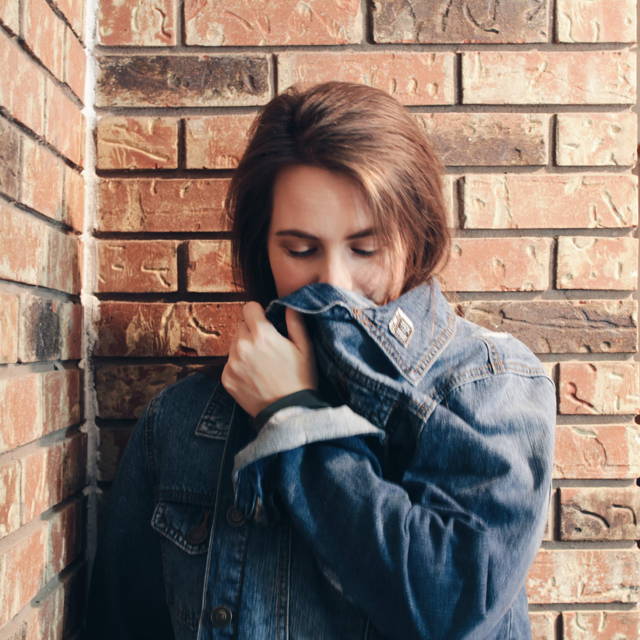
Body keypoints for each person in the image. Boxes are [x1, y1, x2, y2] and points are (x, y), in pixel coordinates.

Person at [84, 81, 556, 639]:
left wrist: (294, 416)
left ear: (416, 236)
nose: (334, 283)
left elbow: (450, 605)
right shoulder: (186, 420)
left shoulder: (488, 385)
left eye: (365, 248)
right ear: (263, 248)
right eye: (300, 250)